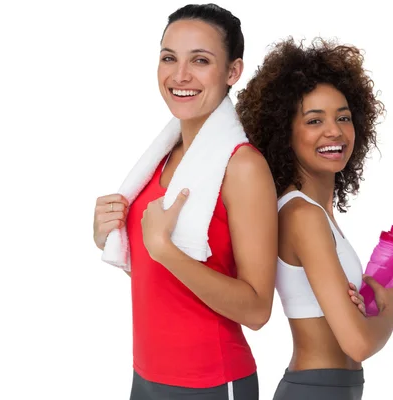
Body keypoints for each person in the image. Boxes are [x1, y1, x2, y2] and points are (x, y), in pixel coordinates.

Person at [92, 4, 278, 399]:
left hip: (211, 382)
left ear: (232, 72)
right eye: (168, 58)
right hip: (145, 376)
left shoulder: (243, 167)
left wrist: (163, 249)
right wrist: (109, 235)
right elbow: (166, 281)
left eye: (200, 60)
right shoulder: (164, 154)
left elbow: (258, 310)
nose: (180, 75)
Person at [236, 38, 393, 400]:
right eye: (315, 120)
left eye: (343, 117)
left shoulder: (315, 212)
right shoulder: (302, 215)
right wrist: (389, 315)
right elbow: (357, 343)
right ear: (285, 133)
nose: (334, 131)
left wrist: (366, 309)